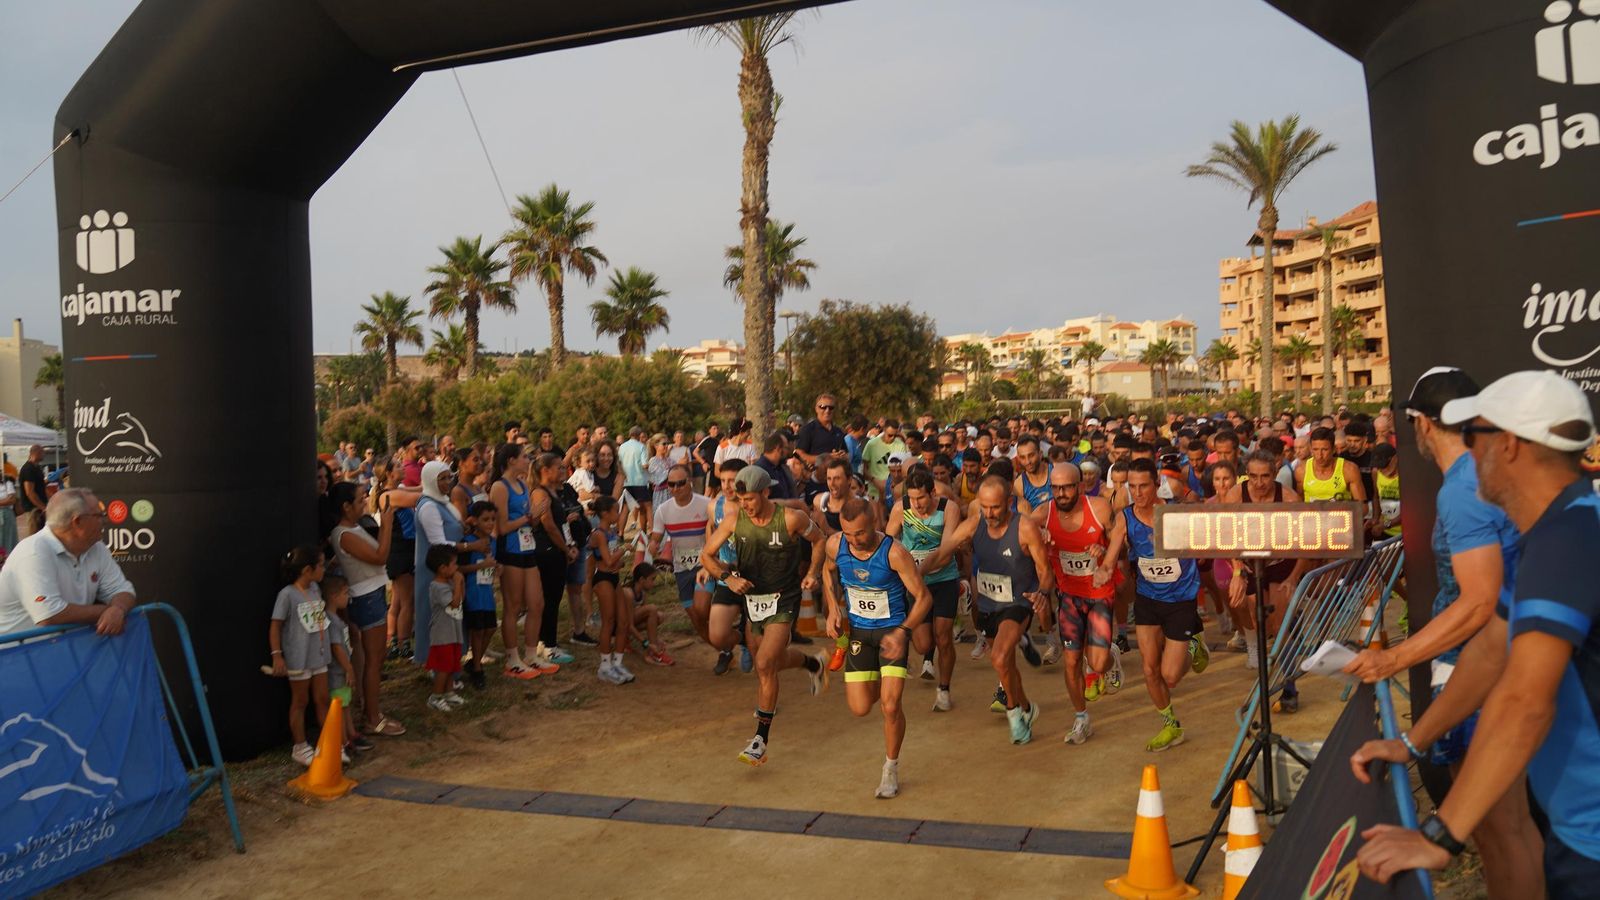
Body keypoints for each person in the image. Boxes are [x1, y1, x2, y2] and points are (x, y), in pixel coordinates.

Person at [1354, 370, 1596, 897]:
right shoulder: (1557, 530)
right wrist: (1412, 743)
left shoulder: (1570, 539)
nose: (1469, 449)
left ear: (1508, 446)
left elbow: (1523, 702)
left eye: (1477, 434)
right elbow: (1489, 650)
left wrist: (1442, 836)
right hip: (1578, 826)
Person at [699, 466, 830, 766]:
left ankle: (760, 739)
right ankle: (813, 663)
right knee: (767, 663)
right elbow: (707, 554)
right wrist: (727, 577)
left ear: (767, 493)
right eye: (742, 499)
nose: (745, 504)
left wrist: (812, 573)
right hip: (752, 599)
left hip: (784, 598)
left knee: (764, 663)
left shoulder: (790, 518)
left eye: (751, 499)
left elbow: (820, 539)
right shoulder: (734, 521)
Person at [926, 476, 1054, 744]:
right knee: (1004, 662)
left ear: (1009, 502)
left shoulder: (1025, 527)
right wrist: (913, 573)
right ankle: (1028, 708)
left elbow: (1045, 572)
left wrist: (1042, 594)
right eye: (983, 507)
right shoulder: (974, 524)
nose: (989, 513)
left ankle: (1013, 714)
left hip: (1018, 602)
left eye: (995, 507)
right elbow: (942, 552)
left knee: (997, 657)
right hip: (988, 605)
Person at [823, 497, 933, 799]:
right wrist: (833, 607)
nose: (854, 540)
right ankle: (880, 680)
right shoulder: (835, 545)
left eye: (859, 533)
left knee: (890, 705)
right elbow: (826, 571)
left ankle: (890, 768)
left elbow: (923, 598)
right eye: (848, 534)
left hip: (891, 633)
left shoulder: (894, 553)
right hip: (860, 633)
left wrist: (902, 633)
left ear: (873, 523)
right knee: (860, 708)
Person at [1095, 458, 1208, 752]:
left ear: (1157, 483)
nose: (1137, 492)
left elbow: (1207, 543)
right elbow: (1113, 552)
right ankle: (1171, 725)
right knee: (1149, 670)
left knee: (1170, 675)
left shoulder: (1173, 514)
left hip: (1181, 600)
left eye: (1143, 485)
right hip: (1147, 599)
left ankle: (1195, 642)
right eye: (1132, 487)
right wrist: (1105, 568)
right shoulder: (1125, 517)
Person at [1045, 462, 1121, 744]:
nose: (1061, 493)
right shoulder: (1045, 513)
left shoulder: (1099, 508)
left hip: (1099, 593)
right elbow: (1022, 532)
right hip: (1069, 597)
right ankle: (1081, 718)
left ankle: (1109, 662)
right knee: (1071, 661)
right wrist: (1037, 541)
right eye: (1055, 487)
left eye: (1066, 487)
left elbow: (1119, 540)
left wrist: (1105, 552)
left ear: (1079, 486)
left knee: (1097, 663)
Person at [327, 482, 406, 737]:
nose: (364, 504)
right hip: (367, 599)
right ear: (345, 506)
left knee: (373, 660)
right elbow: (381, 556)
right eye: (360, 500)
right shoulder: (344, 533)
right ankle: (372, 718)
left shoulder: (350, 528)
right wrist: (386, 524)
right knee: (375, 661)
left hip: (370, 595)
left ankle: (370, 711)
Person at [0, 488, 136, 637]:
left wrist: (118, 609)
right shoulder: (33, 552)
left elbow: (122, 590)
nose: (105, 520)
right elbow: (49, 614)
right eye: (99, 515)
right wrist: (109, 611)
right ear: (77, 521)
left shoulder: (96, 548)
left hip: (64, 650)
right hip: (19, 655)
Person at [886, 467, 963, 710]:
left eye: (921, 497)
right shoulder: (900, 508)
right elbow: (888, 541)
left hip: (944, 579)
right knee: (922, 644)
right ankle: (925, 659)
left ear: (932, 493)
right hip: (915, 585)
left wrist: (918, 571)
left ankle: (944, 689)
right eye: (912, 498)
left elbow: (946, 550)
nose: (917, 504)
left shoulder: (948, 509)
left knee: (943, 636)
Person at [270, 545, 338, 766]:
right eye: (320, 565)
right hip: (298, 658)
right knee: (300, 700)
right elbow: (275, 626)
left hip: (318, 655)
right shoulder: (287, 595)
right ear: (307, 569)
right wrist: (277, 655)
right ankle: (300, 746)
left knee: (322, 699)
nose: (323, 569)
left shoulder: (316, 590)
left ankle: (329, 743)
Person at [489, 445, 549, 678]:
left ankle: (531, 654)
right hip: (510, 551)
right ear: (512, 460)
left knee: (536, 603)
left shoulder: (523, 485)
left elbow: (529, 521)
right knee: (513, 606)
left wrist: (535, 516)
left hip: (528, 548)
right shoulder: (499, 487)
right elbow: (501, 527)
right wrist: (528, 516)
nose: (528, 460)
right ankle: (512, 658)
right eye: (524, 457)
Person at [649, 465, 713, 646]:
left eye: (680, 483)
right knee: (696, 619)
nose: (675, 488)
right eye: (671, 484)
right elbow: (656, 538)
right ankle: (723, 648)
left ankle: (724, 624)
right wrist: (651, 547)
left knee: (701, 610)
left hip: (704, 566)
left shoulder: (706, 504)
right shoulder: (663, 510)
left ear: (690, 482)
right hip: (681, 568)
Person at [588, 496, 635, 685]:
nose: (620, 514)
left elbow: (613, 560)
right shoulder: (599, 534)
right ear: (606, 513)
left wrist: (620, 560)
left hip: (614, 577)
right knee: (609, 621)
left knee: (623, 621)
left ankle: (618, 662)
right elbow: (607, 560)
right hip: (603, 579)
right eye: (616, 511)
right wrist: (624, 549)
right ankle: (605, 666)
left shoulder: (612, 532)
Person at [459, 501, 500, 688]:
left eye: (493, 519)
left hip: (487, 592)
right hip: (473, 593)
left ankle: (474, 661)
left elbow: (493, 563)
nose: (490, 523)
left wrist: (497, 568)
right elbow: (459, 568)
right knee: (477, 630)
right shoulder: (468, 542)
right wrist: (480, 566)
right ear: (475, 521)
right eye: (485, 520)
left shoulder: (493, 542)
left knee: (490, 628)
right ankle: (477, 668)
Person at [422, 544, 466, 712]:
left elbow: (461, 599)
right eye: (454, 564)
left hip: (453, 632)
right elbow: (454, 603)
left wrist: (460, 584)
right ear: (442, 568)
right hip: (442, 635)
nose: (457, 567)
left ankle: (449, 692)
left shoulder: (448, 583)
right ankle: (436, 696)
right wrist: (457, 583)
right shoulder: (437, 587)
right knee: (443, 667)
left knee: (452, 665)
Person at [622, 562, 675, 666]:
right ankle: (652, 653)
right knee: (652, 609)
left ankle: (629, 642)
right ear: (642, 580)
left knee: (659, 616)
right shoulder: (628, 593)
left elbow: (648, 619)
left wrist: (655, 638)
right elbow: (629, 624)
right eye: (652, 579)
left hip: (628, 624)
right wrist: (646, 643)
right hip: (619, 627)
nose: (654, 583)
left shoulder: (642, 593)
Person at [794, 393, 849, 473]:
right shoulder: (808, 430)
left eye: (831, 408)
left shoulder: (838, 431)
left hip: (835, 477)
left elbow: (846, 454)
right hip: (814, 478)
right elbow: (798, 455)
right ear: (816, 409)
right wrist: (826, 458)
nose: (827, 410)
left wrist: (843, 456)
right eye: (823, 407)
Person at [15, 444, 47, 538]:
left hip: (39, 509)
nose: (43, 455)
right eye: (42, 453)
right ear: (36, 453)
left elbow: (42, 488)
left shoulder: (37, 468)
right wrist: (43, 507)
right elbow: (30, 492)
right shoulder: (28, 469)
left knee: (42, 536)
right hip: (33, 510)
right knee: (35, 537)